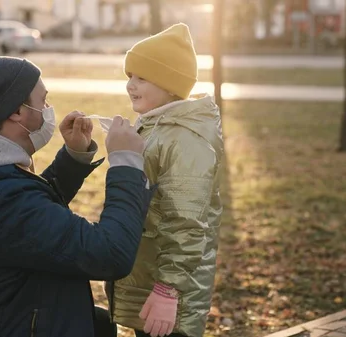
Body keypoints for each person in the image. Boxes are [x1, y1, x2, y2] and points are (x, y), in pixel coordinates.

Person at [0, 54, 154, 337]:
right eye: (43, 101)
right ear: (17, 111)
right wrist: (126, 163)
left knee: (98, 323)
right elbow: (110, 253)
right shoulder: (4, 203)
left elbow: (30, 220)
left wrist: (73, 159)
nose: (48, 109)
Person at [105, 23, 224, 337]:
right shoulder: (156, 126)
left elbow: (186, 223)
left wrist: (168, 289)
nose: (130, 85)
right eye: (129, 76)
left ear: (170, 83)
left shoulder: (186, 140)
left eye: (142, 77)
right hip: (149, 276)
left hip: (170, 290)